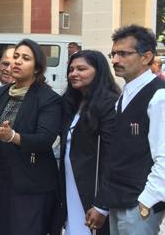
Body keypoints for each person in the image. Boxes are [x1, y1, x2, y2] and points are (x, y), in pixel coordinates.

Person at [0, 39, 62, 235]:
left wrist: (13, 136)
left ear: (37, 68)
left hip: (30, 182)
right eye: (15, 57)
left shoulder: (48, 98)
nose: (16, 62)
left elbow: (45, 139)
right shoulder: (1, 93)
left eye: (25, 58)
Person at [99, 25, 165, 235]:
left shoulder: (158, 97)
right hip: (119, 200)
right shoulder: (124, 95)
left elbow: (163, 157)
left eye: (124, 54)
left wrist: (146, 201)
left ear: (146, 57)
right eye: (114, 53)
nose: (115, 60)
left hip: (139, 204)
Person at [59, 50, 119, 235]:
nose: (74, 74)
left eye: (81, 69)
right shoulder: (73, 102)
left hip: (92, 188)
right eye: (71, 69)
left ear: (98, 71)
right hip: (70, 182)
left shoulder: (109, 103)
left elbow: (112, 157)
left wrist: (102, 205)